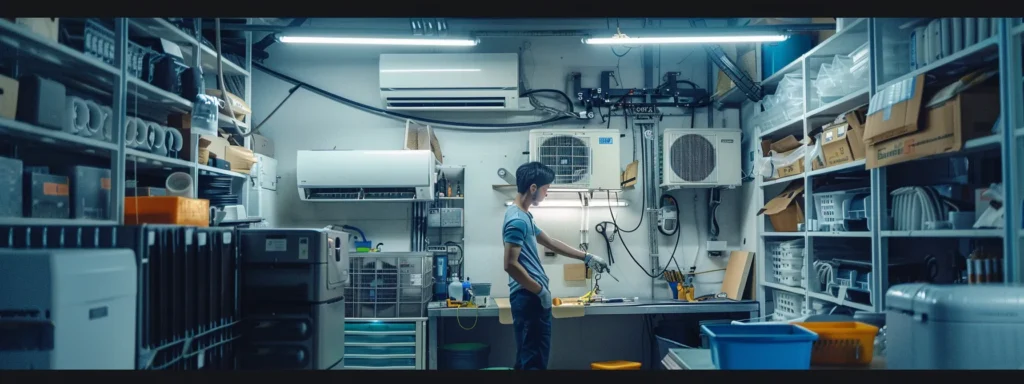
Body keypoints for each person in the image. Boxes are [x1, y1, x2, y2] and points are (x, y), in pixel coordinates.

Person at [502, 161, 611, 370]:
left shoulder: (524, 216)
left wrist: (586, 257)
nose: (547, 194)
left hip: (529, 298)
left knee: (529, 359)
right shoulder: (517, 220)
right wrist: (540, 291)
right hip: (529, 299)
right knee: (533, 363)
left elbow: (550, 241)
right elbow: (510, 265)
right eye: (546, 189)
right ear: (533, 188)